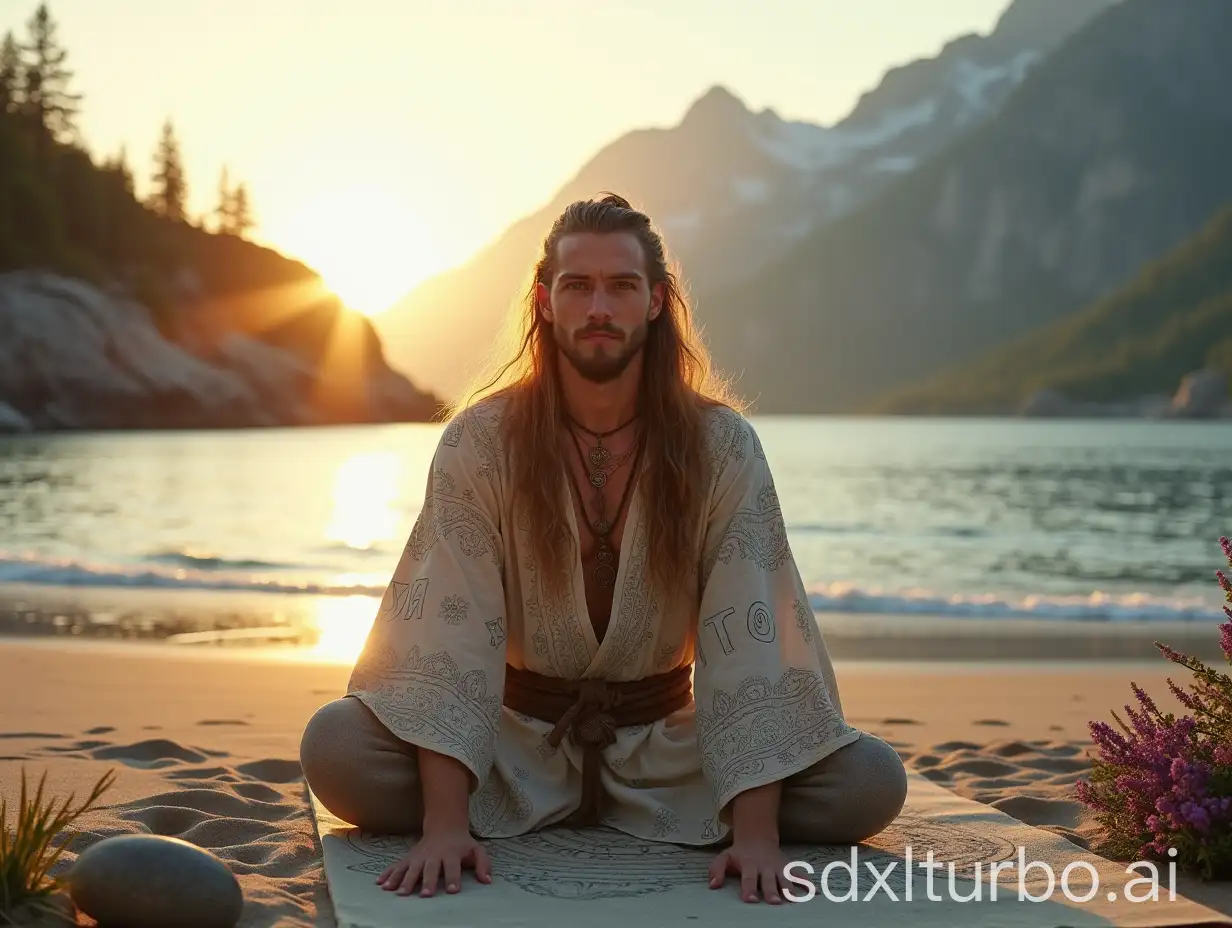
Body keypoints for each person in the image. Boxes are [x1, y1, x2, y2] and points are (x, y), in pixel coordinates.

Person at [299, 193, 907, 905]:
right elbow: (447, 632)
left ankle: (701, 809)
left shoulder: (722, 445)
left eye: (620, 286)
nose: (598, 307)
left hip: (673, 751)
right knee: (337, 746)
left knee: (868, 783)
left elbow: (752, 631)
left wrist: (757, 835)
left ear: (655, 301)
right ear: (546, 300)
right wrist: (443, 824)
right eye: (577, 285)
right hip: (511, 744)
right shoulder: (478, 441)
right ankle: (499, 806)